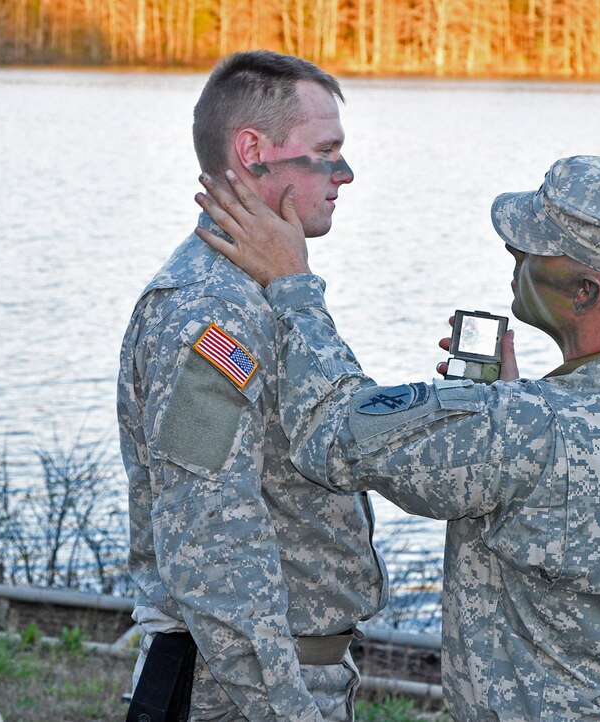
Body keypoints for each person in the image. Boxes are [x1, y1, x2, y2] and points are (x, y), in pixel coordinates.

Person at [194, 155, 600, 721]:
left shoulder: (526, 429)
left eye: (529, 249)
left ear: (587, 291)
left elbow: (332, 430)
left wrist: (292, 283)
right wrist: (509, 410)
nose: (513, 254)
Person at [118, 50, 386, 722]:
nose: (344, 174)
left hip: (278, 677)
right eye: (325, 151)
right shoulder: (215, 312)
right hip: (241, 690)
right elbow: (210, 544)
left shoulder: (261, 292)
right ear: (254, 152)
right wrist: (285, 710)